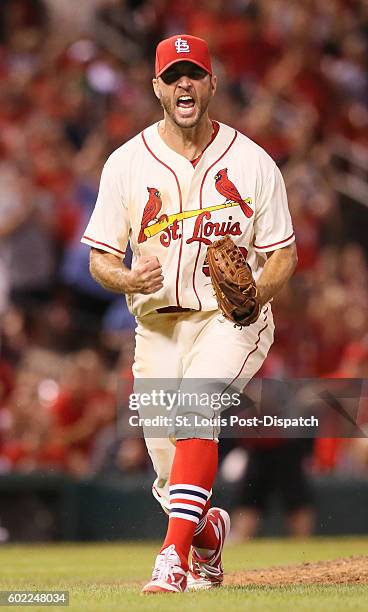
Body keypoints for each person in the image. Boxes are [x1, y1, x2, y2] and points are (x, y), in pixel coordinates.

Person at [81, 34, 297, 593]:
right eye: (173, 75)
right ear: (156, 87)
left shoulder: (252, 161)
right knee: (168, 475)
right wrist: (127, 277)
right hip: (155, 327)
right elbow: (100, 259)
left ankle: (171, 557)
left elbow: (283, 254)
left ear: (211, 84)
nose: (184, 83)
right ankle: (206, 535)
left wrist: (257, 294)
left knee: (196, 407)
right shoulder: (126, 162)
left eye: (194, 74)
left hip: (228, 320)